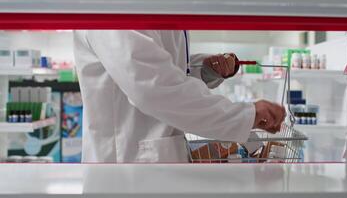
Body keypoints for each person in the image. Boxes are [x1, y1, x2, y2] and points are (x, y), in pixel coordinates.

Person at [74, 30, 285, 163]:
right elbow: (153, 89)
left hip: (152, 163)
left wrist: (205, 69)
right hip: (127, 165)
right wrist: (244, 115)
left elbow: (163, 69)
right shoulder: (116, 8)